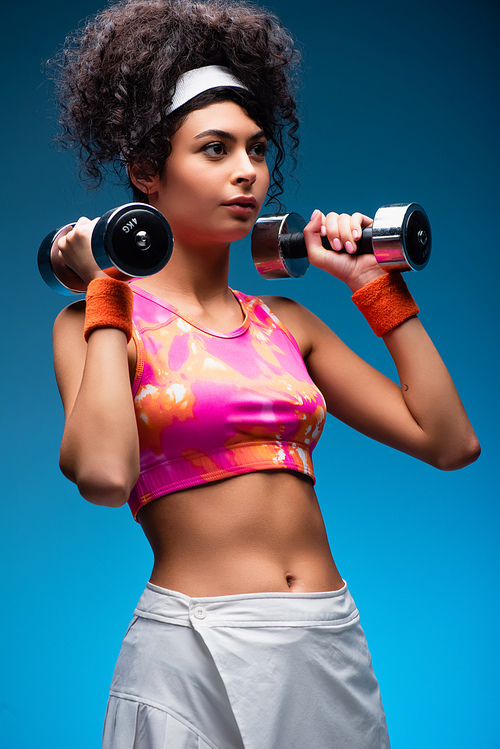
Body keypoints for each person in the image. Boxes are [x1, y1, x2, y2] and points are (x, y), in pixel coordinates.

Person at [49, 1, 480, 746]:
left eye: (256, 148)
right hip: (192, 646)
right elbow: (104, 475)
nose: (247, 171)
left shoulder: (287, 321)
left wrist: (373, 286)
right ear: (148, 172)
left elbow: (449, 441)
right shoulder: (100, 320)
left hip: (325, 635)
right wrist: (105, 291)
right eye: (215, 149)